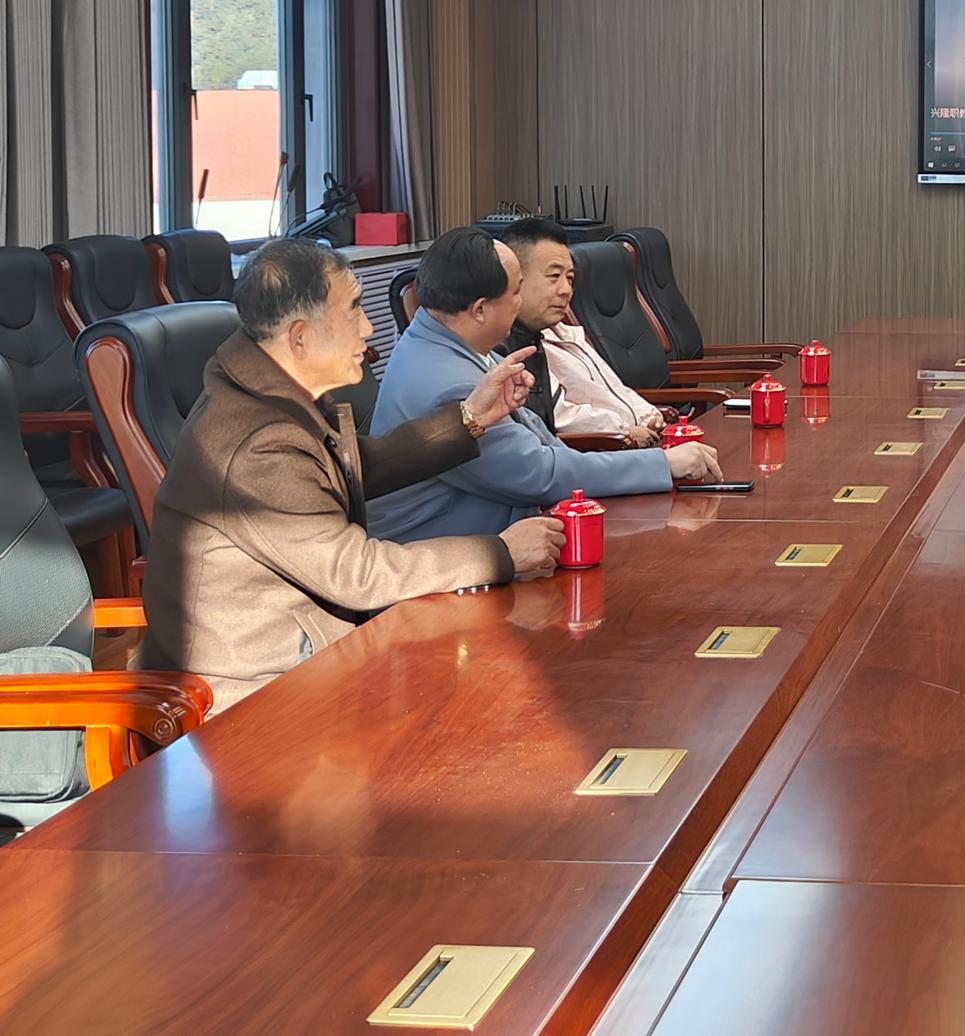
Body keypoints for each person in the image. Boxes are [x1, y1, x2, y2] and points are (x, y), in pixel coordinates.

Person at [137, 239, 564, 711]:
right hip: (254, 693)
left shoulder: (267, 388)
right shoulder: (257, 442)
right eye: (354, 310)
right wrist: (500, 553)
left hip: (312, 655)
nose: (368, 327)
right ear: (300, 338)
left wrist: (470, 418)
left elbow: (351, 467)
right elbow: (354, 573)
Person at [367, 227, 721, 543]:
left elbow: (541, 441)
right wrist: (660, 464)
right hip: (451, 556)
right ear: (479, 310)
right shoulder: (448, 384)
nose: (520, 303)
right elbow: (538, 473)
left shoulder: (448, 342)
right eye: (515, 292)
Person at [501, 216, 664, 446]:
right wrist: (623, 431)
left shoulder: (561, 333)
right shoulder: (504, 348)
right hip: (602, 450)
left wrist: (648, 416)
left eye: (570, 279)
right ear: (514, 279)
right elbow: (560, 419)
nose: (566, 290)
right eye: (554, 276)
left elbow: (614, 388)